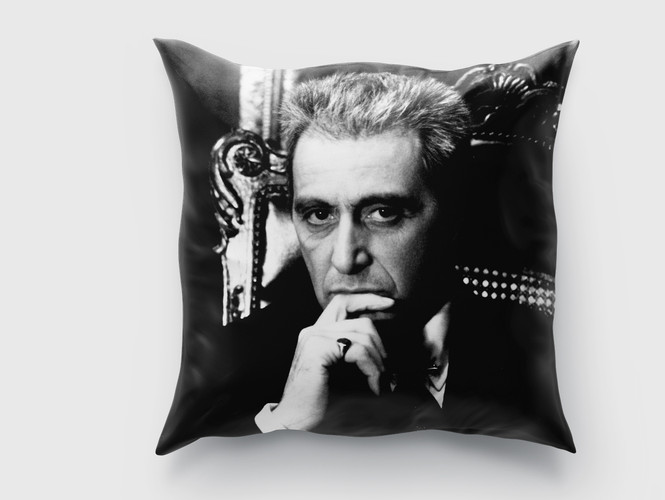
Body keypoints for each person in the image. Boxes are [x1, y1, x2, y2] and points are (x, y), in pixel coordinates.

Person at [218, 72, 560, 443]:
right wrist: (288, 423)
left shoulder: (540, 355)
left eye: (383, 213)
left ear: (454, 216)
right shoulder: (232, 361)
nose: (345, 260)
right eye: (318, 214)